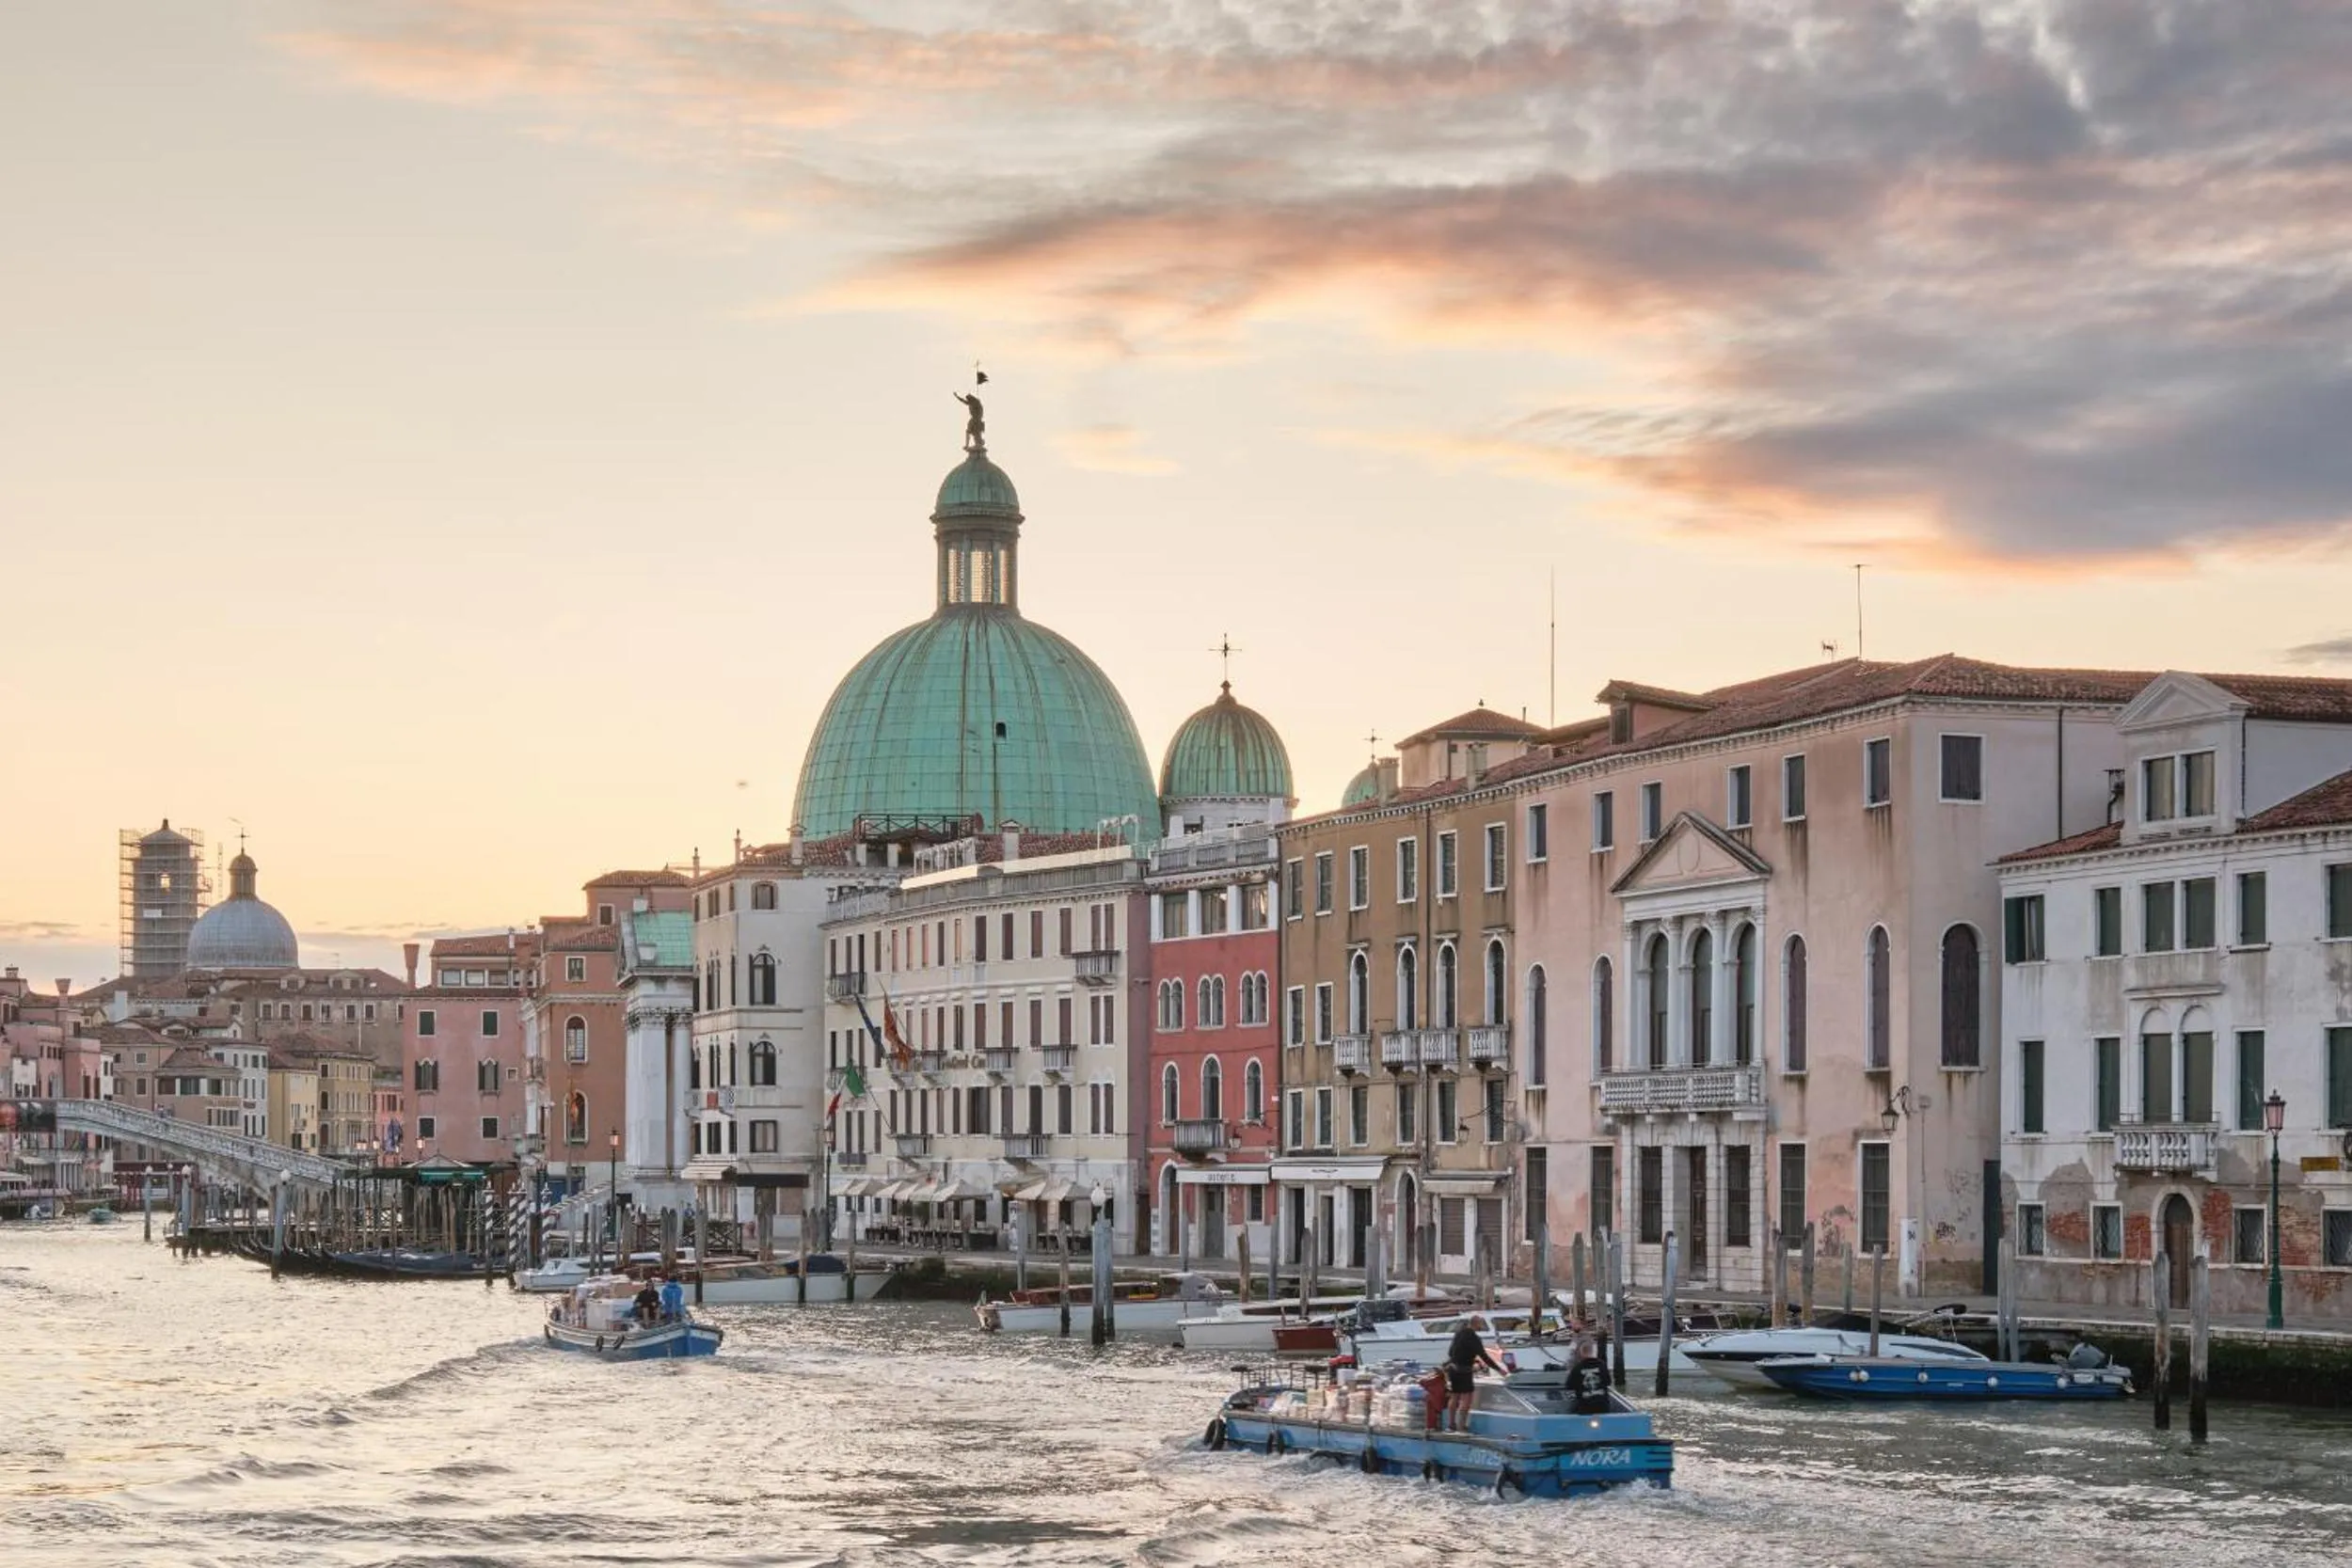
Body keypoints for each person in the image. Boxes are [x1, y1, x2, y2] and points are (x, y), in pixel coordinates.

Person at [1442, 1315, 1506, 1432]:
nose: (1481, 1326)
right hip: (1465, 1370)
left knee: (1454, 1396)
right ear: (1476, 1324)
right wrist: (1499, 1369)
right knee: (1466, 1398)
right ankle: (1461, 1427)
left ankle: (1451, 1425)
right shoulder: (1474, 1338)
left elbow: (1450, 1352)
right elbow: (1484, 1356)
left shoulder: (1458, 1334)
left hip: (1453, 1368)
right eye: (1481, 1324)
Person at [1568, 1323, 1613, 1414]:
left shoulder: (1578, 1368)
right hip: (1603, 1407)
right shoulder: (1602, 1365)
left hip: (1585, 1408)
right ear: (1593, 1351)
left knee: (1571, 1408)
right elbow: (1608, 1382)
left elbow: (1569, 1385)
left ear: (1581, 1353)